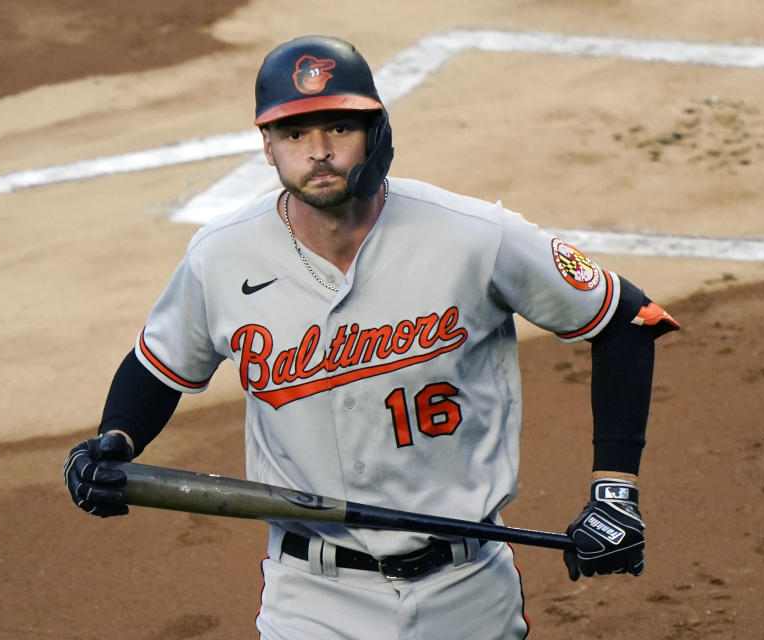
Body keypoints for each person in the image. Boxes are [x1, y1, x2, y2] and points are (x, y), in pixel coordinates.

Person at [64, 35, 679, 639]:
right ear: (268, 147)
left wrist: (615, 490)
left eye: (339, 127)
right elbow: (158, 365)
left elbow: (629, 319)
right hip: (311, 596)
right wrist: (116, 438)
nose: (319, 151)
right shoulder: (221, 256)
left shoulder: (473, 236)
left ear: (377, 133)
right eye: (295, 133)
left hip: (467, 591)